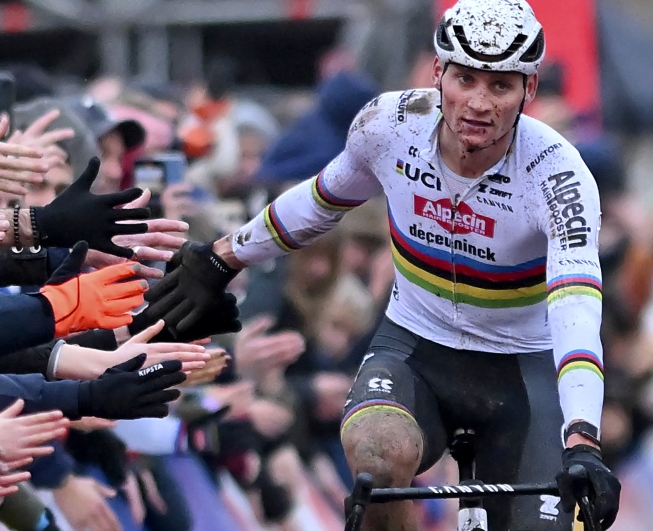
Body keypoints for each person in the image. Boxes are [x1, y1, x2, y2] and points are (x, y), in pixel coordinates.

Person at [144, 0, 621, 529]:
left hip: (523, 368)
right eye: (465, 79)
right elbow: (321, 201)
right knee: (375, 460)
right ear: (437, 72)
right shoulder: (390, 125)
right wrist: (222, 257)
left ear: (529, 91)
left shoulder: (558, 176)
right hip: (416, 346)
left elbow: (576, 305)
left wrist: (583, 437)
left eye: (501, 87)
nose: (479, 103)